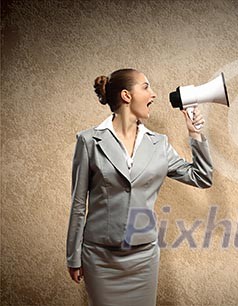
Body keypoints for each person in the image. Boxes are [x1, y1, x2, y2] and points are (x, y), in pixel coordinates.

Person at [66, 68, 213, 306]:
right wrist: (73, 257)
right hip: (100, 258)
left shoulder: (159, 144)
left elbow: (201, 177)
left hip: (143, 259)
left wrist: (194, 133)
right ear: (126, 95)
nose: (153, 94)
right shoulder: (89, 141)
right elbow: (78, 204)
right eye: (145, 87)